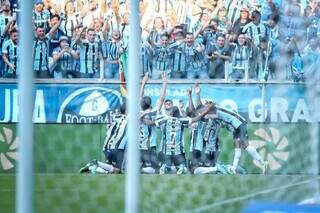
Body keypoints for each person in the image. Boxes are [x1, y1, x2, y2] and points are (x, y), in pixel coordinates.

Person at [194, 83, 269, 174]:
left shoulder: (212, 106)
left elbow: (203, 111)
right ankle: (239, 167)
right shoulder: (214, 112)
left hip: (238, 124)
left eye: (206, 103)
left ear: (210, 103)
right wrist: (197, 94)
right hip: (236, 125)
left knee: (244, 146)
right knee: (241, 147)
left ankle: (259, 163)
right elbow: (200, 110)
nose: (205, 105)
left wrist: (197, 116)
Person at [155, 95, 214, 174]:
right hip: (178, 152)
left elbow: (156, 121)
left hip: (166, 152)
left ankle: (165, 166)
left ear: (171, 113)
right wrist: (207, 110)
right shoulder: (182, 120)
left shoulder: (162, 120)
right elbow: (196, 118)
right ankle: (181, 167)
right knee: (186, 169)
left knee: (166, 164)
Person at [79, 100, 127, 174]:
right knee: (117, 170)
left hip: (106, 147)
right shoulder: (127, 118)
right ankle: (96, 164)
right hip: (115, 147)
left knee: (112, 168)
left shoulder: (113, 116)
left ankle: (94, 166)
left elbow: (107, 127)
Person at [139, 73, 167, 174]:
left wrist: (143, 82)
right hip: (150, 146)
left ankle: (140, 168)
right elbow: (161, 98)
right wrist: (164, 83)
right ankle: (142, 169)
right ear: (150, 104)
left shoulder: (138, 112)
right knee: (156, 169)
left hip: (139, 146)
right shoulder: (154, 112)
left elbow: (140, 96)